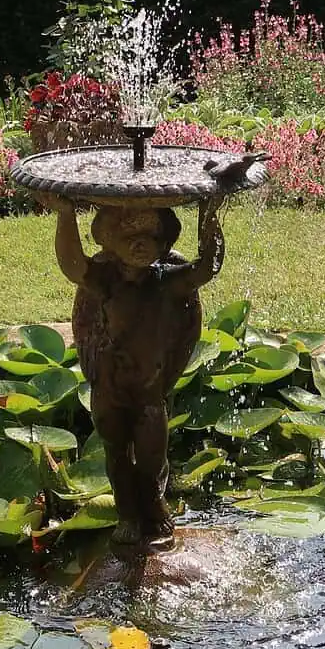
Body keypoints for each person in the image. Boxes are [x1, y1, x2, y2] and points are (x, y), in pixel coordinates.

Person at [40, 194, 225, 545]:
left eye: (151, 238)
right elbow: (72, 265)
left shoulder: (168, 281)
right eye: (128, 237)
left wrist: (210, 212)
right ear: (108, 239)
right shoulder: (106, 279)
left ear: (165, 241)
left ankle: (154, 508)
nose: (141, 245)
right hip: (109, 389)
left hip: (149, 392)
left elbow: (207, 268)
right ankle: (127, 514)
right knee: (116, 453)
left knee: (152, 455)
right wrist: (65, 215)